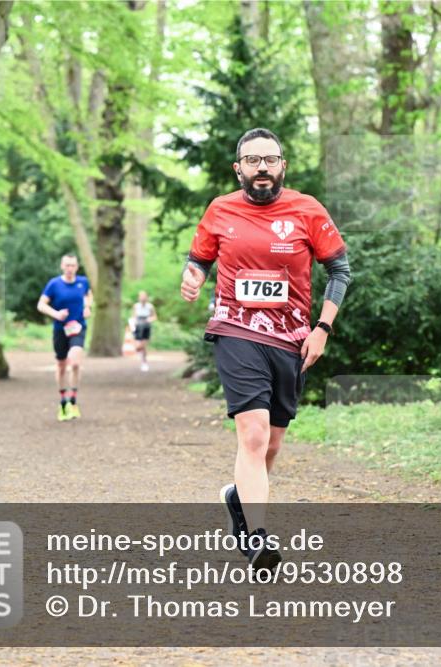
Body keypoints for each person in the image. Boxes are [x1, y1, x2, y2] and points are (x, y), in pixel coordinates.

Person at [181, 128, 351, 570]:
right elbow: (199, 259)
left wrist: (322, 328)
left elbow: (340, 270)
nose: (262, 167)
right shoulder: (220, 209)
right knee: (253, 434)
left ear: (282, 166)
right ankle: (257, 538)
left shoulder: (306, 209)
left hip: (292, 340)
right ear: (238, 168)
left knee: (271, 444)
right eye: (252, 160)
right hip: (236, 330)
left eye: (270, 159)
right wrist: (193, 276)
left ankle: (239, 499)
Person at [37, 255, 93, 422]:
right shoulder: (54, 284)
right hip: (60, 329)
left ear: (77, 267)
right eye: (67, 265)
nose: (70, 268)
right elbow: (41, 305)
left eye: (73, 265)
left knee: (75, 363)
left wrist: (88, 307)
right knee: (61, 366)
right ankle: (63, 403)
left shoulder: (83, 282)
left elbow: (88, 295)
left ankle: (73, 401)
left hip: (78, 327)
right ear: (62, 266)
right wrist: (56, 314)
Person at [131, 291, 158, 371]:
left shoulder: (150, 306)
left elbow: (154, 317)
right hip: (138, 326)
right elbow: (134, 316)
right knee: (139, 344)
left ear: (146, 297)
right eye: (141, 296)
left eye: (144, 296)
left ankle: (144, 361)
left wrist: (150, 319)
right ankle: (143, 362)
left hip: (146, 325)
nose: (142, 298)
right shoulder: (136, 306)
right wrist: (133, 324)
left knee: (143, 345)